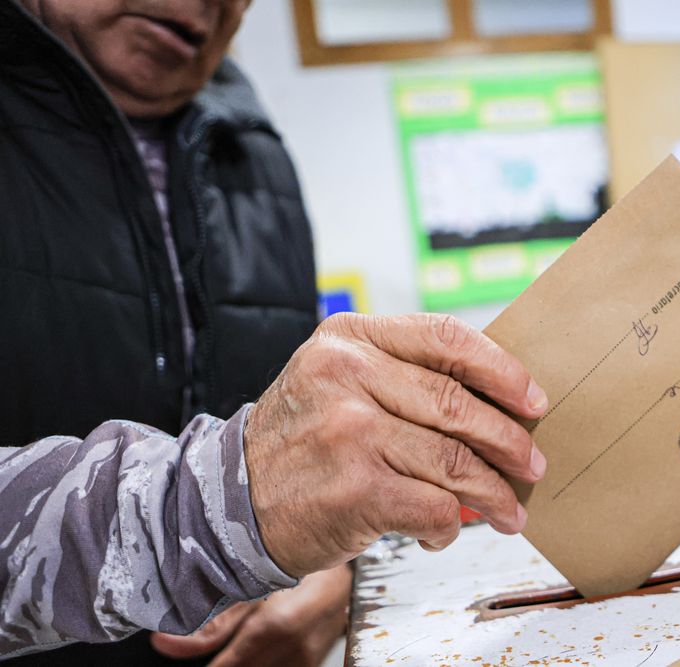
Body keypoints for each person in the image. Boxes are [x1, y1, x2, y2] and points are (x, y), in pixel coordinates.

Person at [0, 0, 548, 663]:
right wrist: (223, 505)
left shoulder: (254, 155)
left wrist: (335, 575)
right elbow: (256, 483)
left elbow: (291, 473)